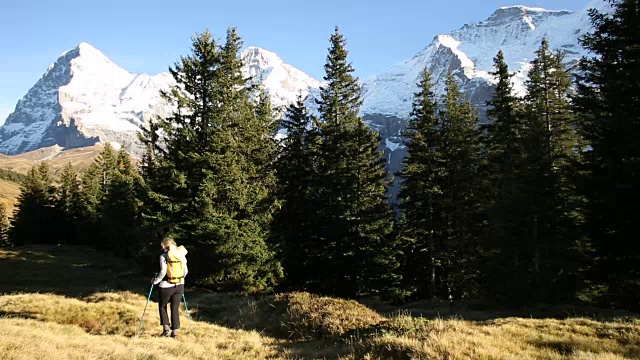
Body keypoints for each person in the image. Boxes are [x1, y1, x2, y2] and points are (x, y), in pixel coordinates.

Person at [151, 237, 188, 338]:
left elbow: (163, 271)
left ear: (164, 245)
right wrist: (180, 279)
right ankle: (175, 332)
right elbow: (186, 271)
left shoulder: (164, 256)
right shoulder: (181, 255)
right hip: (180, 285)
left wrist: (155, 281)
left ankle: (166, 330)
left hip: (166, 286)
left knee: (162, 306)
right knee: (174, 308)